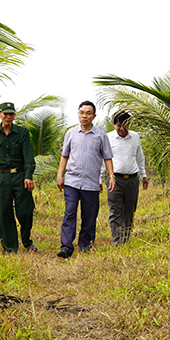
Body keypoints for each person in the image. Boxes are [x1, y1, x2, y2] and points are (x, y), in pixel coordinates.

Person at [56, 101, 115, 258]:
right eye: (82, 112)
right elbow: (65, 156)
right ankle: (66, 246)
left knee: (89, 215)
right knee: (70, 212)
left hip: (91, 183)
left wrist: (111, 177)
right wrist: (59, 174)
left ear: (94, 116)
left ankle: (85, 245)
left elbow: (108, 158)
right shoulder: (71, 133)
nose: (84, 115)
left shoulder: (101, 136)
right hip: (72, 181)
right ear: (78, 114)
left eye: (88, 113)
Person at [0, 102, 37, 253]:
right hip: (2, 178)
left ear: (14, 115)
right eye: (5, 114)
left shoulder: (22, 133)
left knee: (25, 211)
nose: (8, 116)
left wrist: (28, 176)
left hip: (20, 177)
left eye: (11, 114)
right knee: (4, 212)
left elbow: (29, 157)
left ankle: (26, 241)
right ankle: (10, 247)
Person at [103, 111, 148, 244]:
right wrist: (100, 179)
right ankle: (117, 240)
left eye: (125, 125)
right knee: (115, 209)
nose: (122, 129)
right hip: (114, 179)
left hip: (132, 179)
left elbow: (140, 157)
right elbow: (103, 159)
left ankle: (125, 238)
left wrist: (143, 176)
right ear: (114, 125)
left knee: (130, 210)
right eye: (119, 126)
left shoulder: (135, 136)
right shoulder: (108, 137)